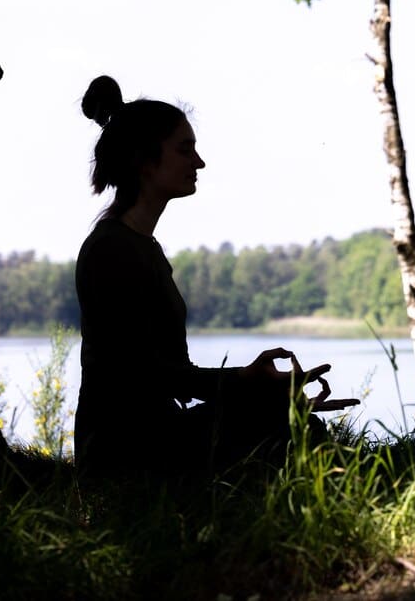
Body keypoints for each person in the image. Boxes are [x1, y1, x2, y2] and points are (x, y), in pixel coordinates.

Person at [73, 75, 356, 481]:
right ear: (144, 160)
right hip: (123, 454)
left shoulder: (140, 245)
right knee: (281, 423)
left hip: (148, 438)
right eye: (185, 149)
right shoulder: (112, 250)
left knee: (284, 417)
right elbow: (144, 378)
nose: (199, 162)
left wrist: (255, 386)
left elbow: (168, 373)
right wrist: (247, 384)